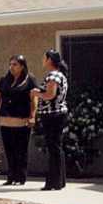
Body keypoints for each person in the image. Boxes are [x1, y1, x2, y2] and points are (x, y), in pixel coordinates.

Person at [0, 55, 37, 186]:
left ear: (22, 66)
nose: (11, 67)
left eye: (15, 64)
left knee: (21, 150)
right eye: (10, 64)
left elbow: (33, 99)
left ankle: (21, 177)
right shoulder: (4, 80)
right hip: (5, 119)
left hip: (21, 120)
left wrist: (32, 115)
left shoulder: (29, 80)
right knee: (9, 149)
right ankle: (11, 176)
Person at [30, 49, 69, 191]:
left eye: (44, 58)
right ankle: (60, 180)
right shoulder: (60, 75)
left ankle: (53, 182)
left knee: (54, 148)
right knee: (57, 147)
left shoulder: (53, 75)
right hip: (58, 114)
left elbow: (49, 95)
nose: (42, 61)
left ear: (49, 60)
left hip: (53, 115)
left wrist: (36, 93)